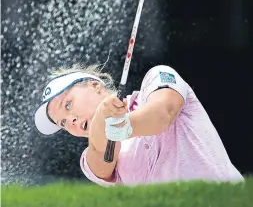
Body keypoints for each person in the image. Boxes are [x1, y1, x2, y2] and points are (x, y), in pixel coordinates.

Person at [34, 63, 244, 187]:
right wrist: (102, 120)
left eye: (68, 104)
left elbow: (163, 113)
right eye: (62, 123)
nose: (69, 121)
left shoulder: (157, 78)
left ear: (95, 86)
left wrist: (120, 123)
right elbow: (103, 154)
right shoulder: (90, 160)